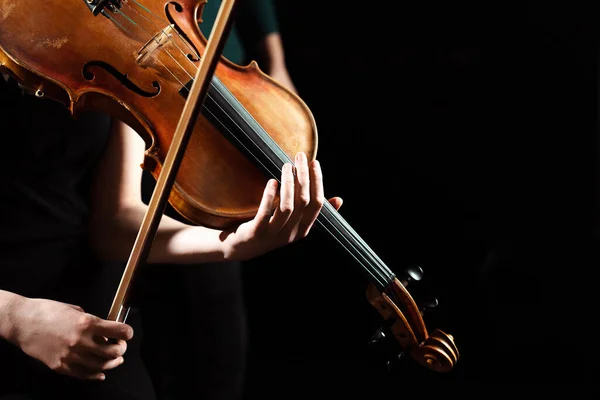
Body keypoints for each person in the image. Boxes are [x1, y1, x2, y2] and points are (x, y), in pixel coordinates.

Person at [0, 15, 341, 400]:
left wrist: (231, 243)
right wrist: (15, 318)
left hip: (91, 327)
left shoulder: (100, 28)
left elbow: (116, 219)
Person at [136, 1, 300, 399]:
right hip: (143, 92)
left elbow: (260, 14)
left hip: (227, 98)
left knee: (216, 349)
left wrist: (278, 77)